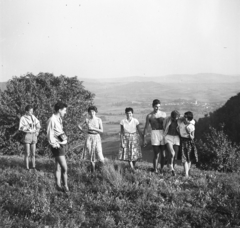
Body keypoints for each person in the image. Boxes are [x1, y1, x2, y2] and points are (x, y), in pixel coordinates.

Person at [47, 102, 69, 192]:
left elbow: (58, 132)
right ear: (59, 110)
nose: (65, 112)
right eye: (64, 110)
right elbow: (49, 134)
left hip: (61, 144)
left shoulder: (59, 119)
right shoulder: (52, 120)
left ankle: (58, 186)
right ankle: (66, 187)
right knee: (65, 167)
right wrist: (55, 144)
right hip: (57, 146)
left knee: (58, 166)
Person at [78, 106, 104, 172]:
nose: (92, 113)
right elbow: (79, 125)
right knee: (90, 153)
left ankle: (103, 168)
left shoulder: (99, 120)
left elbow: (101, 130)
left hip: (97, 137)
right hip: (89, 136)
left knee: (99, 153)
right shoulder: (87, 120)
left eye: (93, 111)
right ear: (89, 112)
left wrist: (93, 128)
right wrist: (84, 131)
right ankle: (93, 170)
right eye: (90, 111)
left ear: (95, 112)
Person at [143, 99, 166, 174]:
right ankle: (155, 169)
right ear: (153, 106)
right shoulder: (149, 116)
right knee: (156, 153)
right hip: (154, 133)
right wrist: (144, 138)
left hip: (162, 133)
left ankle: (162, 169)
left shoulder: (164, 114)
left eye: (159, 106)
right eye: (156, 106)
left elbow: (166, 126)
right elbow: (146, 127)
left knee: (163, 154)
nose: (157, 108)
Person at [19, 105, 41, 171]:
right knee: (27, 153)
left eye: (32, 111)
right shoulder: (23, 118)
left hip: (34, 135)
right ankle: (27, 168)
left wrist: (37, 131)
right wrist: (27, 128)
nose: (32, 112)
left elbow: (38, 124)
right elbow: (21, 128)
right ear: (26, 111)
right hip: (27, 135)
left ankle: (33, 167)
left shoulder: (33, 117)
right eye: (30, 111)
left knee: (33, 153)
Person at [178, 111, 198, 178]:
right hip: (182, 141)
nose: (184, 118)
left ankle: (186, 172)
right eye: (184, 116)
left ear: (189, 118)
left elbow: (193, 137)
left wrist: (188, 133)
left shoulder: (191, 126)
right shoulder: (181, 123)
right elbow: (179, 118)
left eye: (186, 117)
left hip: (189, 142)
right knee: (184, 159)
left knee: (189, 159)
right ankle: (186, 174)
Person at [163, 110, 180, 176]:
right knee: (172, 152)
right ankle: (172, 169)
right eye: (174, 117)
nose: (176, 119)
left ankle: (171, 166)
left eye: (177, 117)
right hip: (169, 137)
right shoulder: (167, 119)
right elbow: (164, 127)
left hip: (176, 137)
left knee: (175, 155)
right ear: (172, 116)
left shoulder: (180, 120)